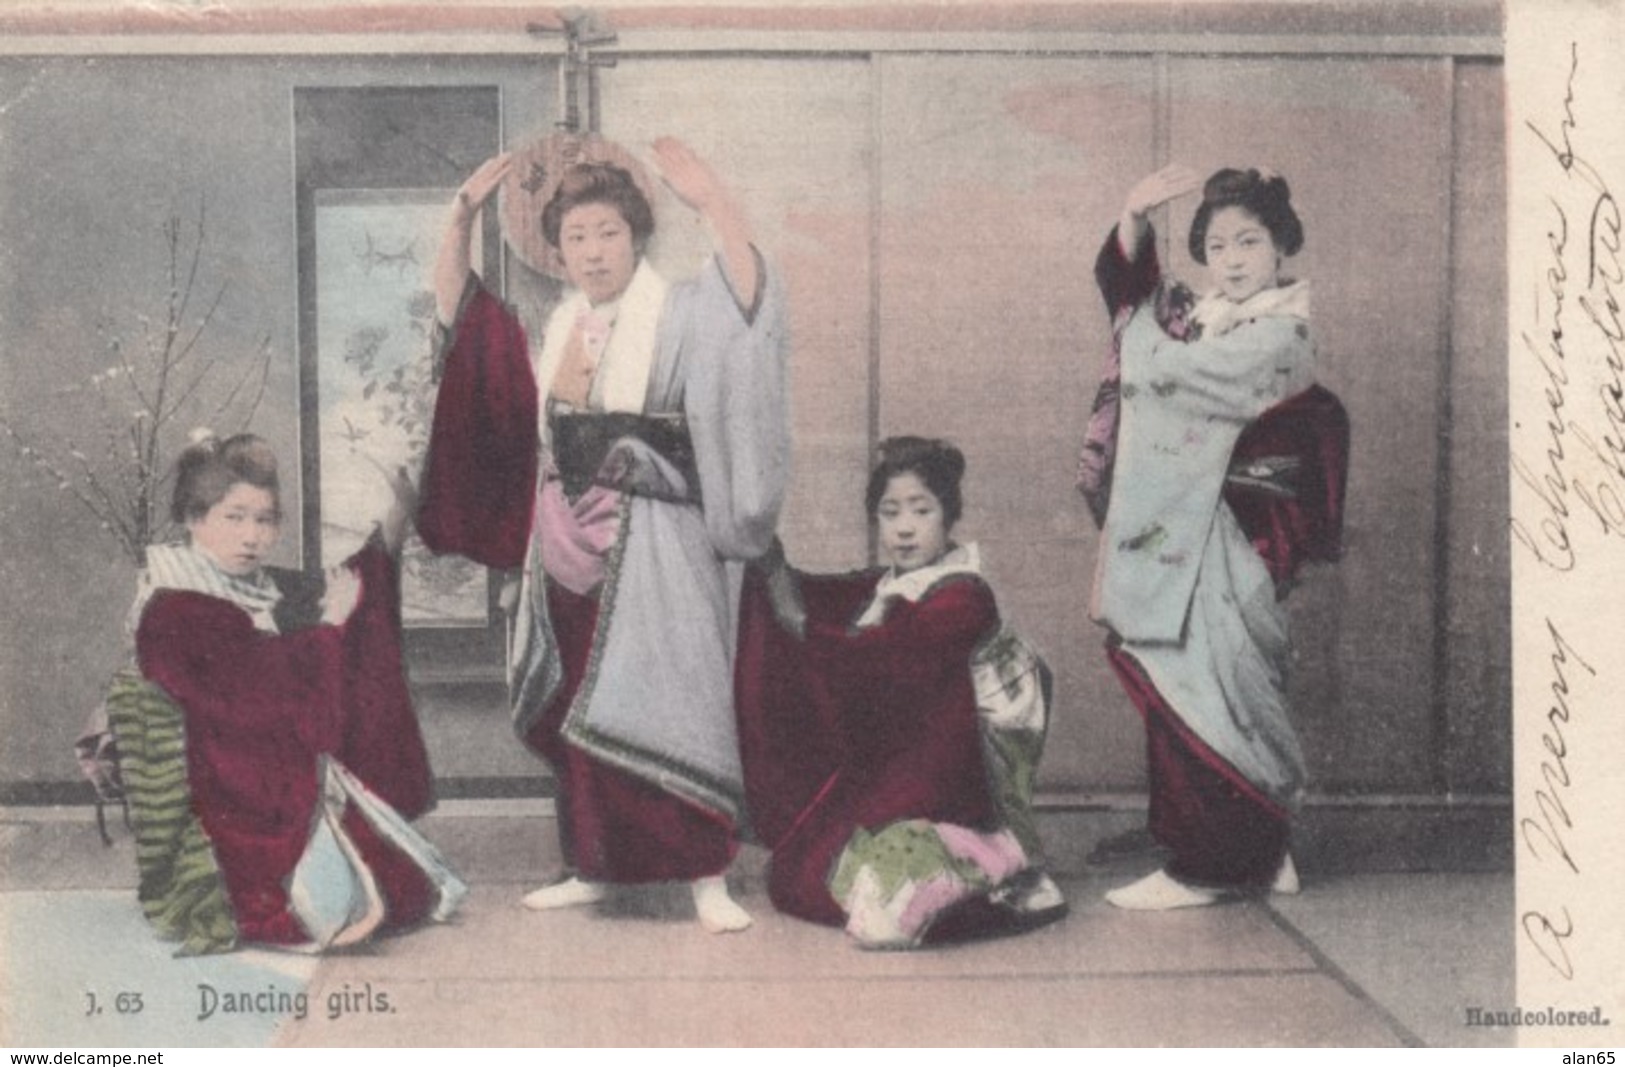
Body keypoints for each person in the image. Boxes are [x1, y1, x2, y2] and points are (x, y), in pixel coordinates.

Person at [418, 136, 789, 933]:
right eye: (576, 237)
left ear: (636, 237)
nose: (592, 251)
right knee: (581, 698)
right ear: (557, 250)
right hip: (563, 536)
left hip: (655, 532)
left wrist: (715, 201)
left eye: (608, 233)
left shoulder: (685, 311)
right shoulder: (555, 326)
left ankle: (704, 871)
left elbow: (751, 308)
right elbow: (464, 324)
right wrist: (458, 221)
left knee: (676, 695)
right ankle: (593, 862)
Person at [1079, 165, 1347, 910]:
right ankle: (1262, 853)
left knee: (1215, 691)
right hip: (1200, 535)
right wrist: (1131, 213)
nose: (1231, 258)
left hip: (1234, 540)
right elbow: (1137, 298)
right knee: (1199, 691)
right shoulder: (1205, 315)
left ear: (1279, 246)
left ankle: (1211, 864)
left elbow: (1163, 376)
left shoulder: (1278, 335)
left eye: (1249, 241)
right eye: (1217, 244)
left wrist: (1140, 331)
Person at [117, 432, 465, 954]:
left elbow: (350, 588)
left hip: (269, 772)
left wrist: (395, 518)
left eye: (265, 519)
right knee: (365, 894)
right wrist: (326, 628)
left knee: (402, 886)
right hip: (222, 792)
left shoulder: (256, 585)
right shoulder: (176, 605)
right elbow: (264, 703)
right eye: (234, 517)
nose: (252, 536)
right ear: (193, 519)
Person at [738, 437, 1065, 949]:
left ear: (948, 515)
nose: (905, 527)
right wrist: (772, 569)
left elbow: (881, 654)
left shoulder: (963, 594)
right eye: (890, 512)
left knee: (852, 896)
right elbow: (824, 596)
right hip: (898, 772)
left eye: (921, 510)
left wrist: (797, 620)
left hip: (949, 783)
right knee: (795, 877)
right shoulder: (895, 583)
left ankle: (1001, 874)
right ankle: (976, 878)